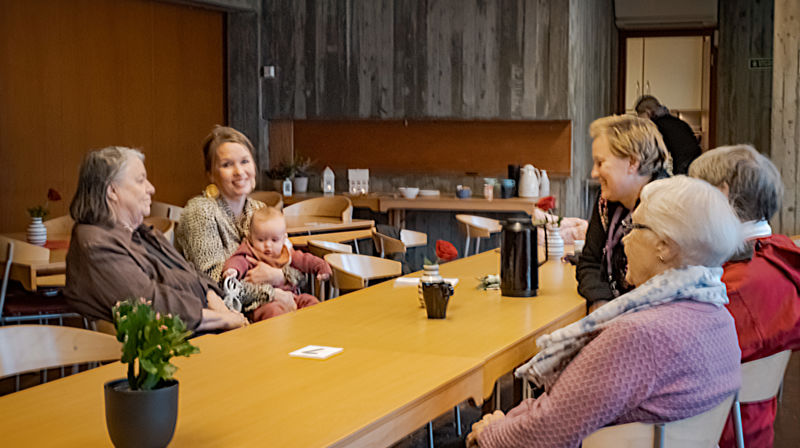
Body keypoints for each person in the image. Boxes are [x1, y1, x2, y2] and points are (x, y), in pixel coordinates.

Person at [467, 176, 743, 448]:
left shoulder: (641, 334)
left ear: (665, 246)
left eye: (634, 227)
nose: (625, 239)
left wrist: (492, 431)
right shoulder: (719, 317)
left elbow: (547, 431)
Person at [63, 146, 248, 332]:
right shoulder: (96, 244)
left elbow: (194, 275)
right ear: (112, 190)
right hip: (171, 342)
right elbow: (152, 304)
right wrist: (224, 319)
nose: (151, 189)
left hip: (207, 328)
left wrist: (222, 310)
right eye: (140, 180)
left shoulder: (142, 233)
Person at [689, 144, 800, 448]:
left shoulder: (733, 286)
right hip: (753, 425)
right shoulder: (779, 260)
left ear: (721, 194)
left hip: (715, 430)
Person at [176, 126, 302, 322]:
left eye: (245, 161)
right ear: (211, 174)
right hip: (226, 320)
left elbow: (295, 267)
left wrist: (278, 275)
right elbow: (214, 284)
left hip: (272, 308)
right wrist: (272, 293)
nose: (239, 171)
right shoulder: (200, 212)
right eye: (227, 165)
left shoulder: (259, 210)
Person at [576, 115, 671, 311]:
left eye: (600, 163)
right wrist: (600, 302)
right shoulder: (606, 202)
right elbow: (590, 262)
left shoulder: (669, 207)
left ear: (632, 162)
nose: (594, 173)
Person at [222, 207, 329, 317]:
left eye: (274, 240)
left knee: (311, 301)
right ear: (251, 237)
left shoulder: (286, 253)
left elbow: (305, 259)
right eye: (261, 240)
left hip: (291, 297)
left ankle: (316, 326)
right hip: (262, 301)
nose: (268, 245)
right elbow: (238, 260)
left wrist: (321, 266)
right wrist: (232, 270)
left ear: (284, 239)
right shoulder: (250, 251)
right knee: (273, 311)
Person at [635, 95, 702, 174]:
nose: (639, 118)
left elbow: (655, 151)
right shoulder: (672, 120)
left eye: (639, 114)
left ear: (648, 112)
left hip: (684, 165)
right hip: (697, 161)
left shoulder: (657, 125)